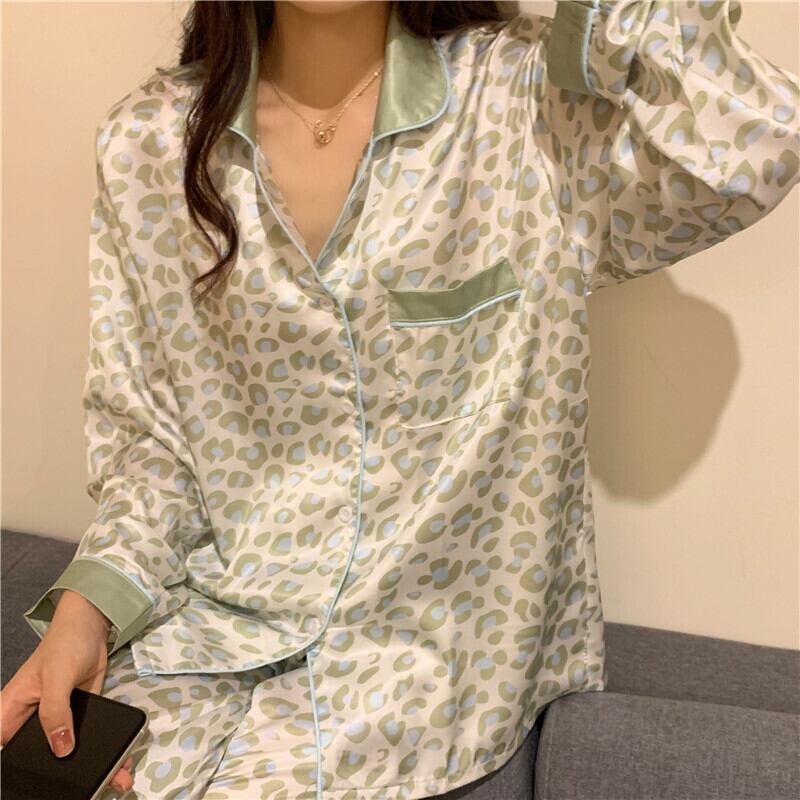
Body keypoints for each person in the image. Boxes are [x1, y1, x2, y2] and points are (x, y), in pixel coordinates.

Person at [2, 1, 798, 798]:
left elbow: (753, 145)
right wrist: (86, 612)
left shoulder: (525, 104)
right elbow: (153, 442)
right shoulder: (148, 141)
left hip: (424, 671)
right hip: (200, 638)